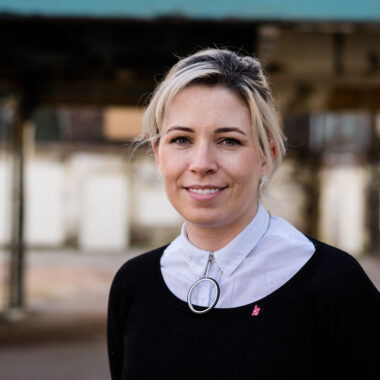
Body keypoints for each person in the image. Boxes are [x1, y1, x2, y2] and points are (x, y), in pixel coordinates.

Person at [107, 48, 380, 379]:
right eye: (181, 139)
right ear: (158, 154)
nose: (201, 164)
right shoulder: (134, 286)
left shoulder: (334, 286)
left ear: (267, 155)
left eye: (228, 141)